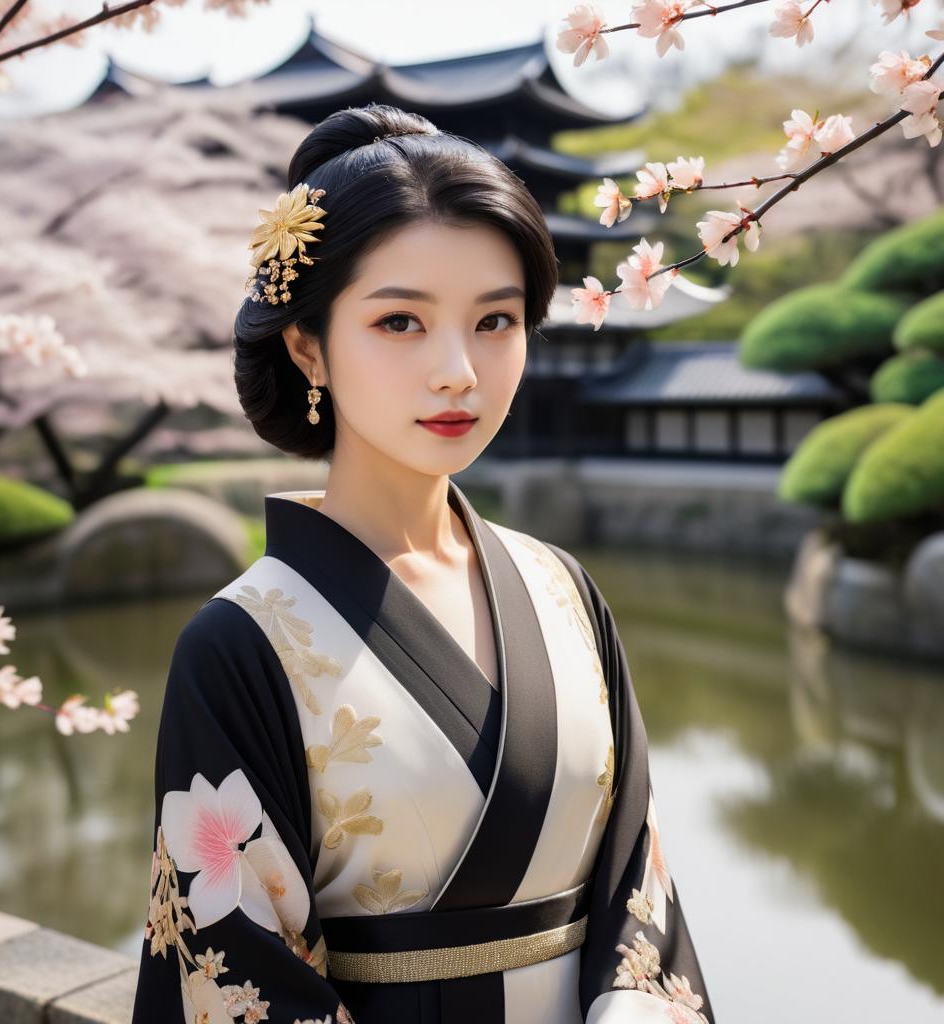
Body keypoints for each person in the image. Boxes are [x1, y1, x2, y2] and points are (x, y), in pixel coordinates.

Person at [131, 101, 713, 1024]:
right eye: (401, 323)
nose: (459, 373)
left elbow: (637, 892)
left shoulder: (565, 594)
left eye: (496, 321)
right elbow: (236, 983)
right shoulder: (241, 647)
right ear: (307, 344)